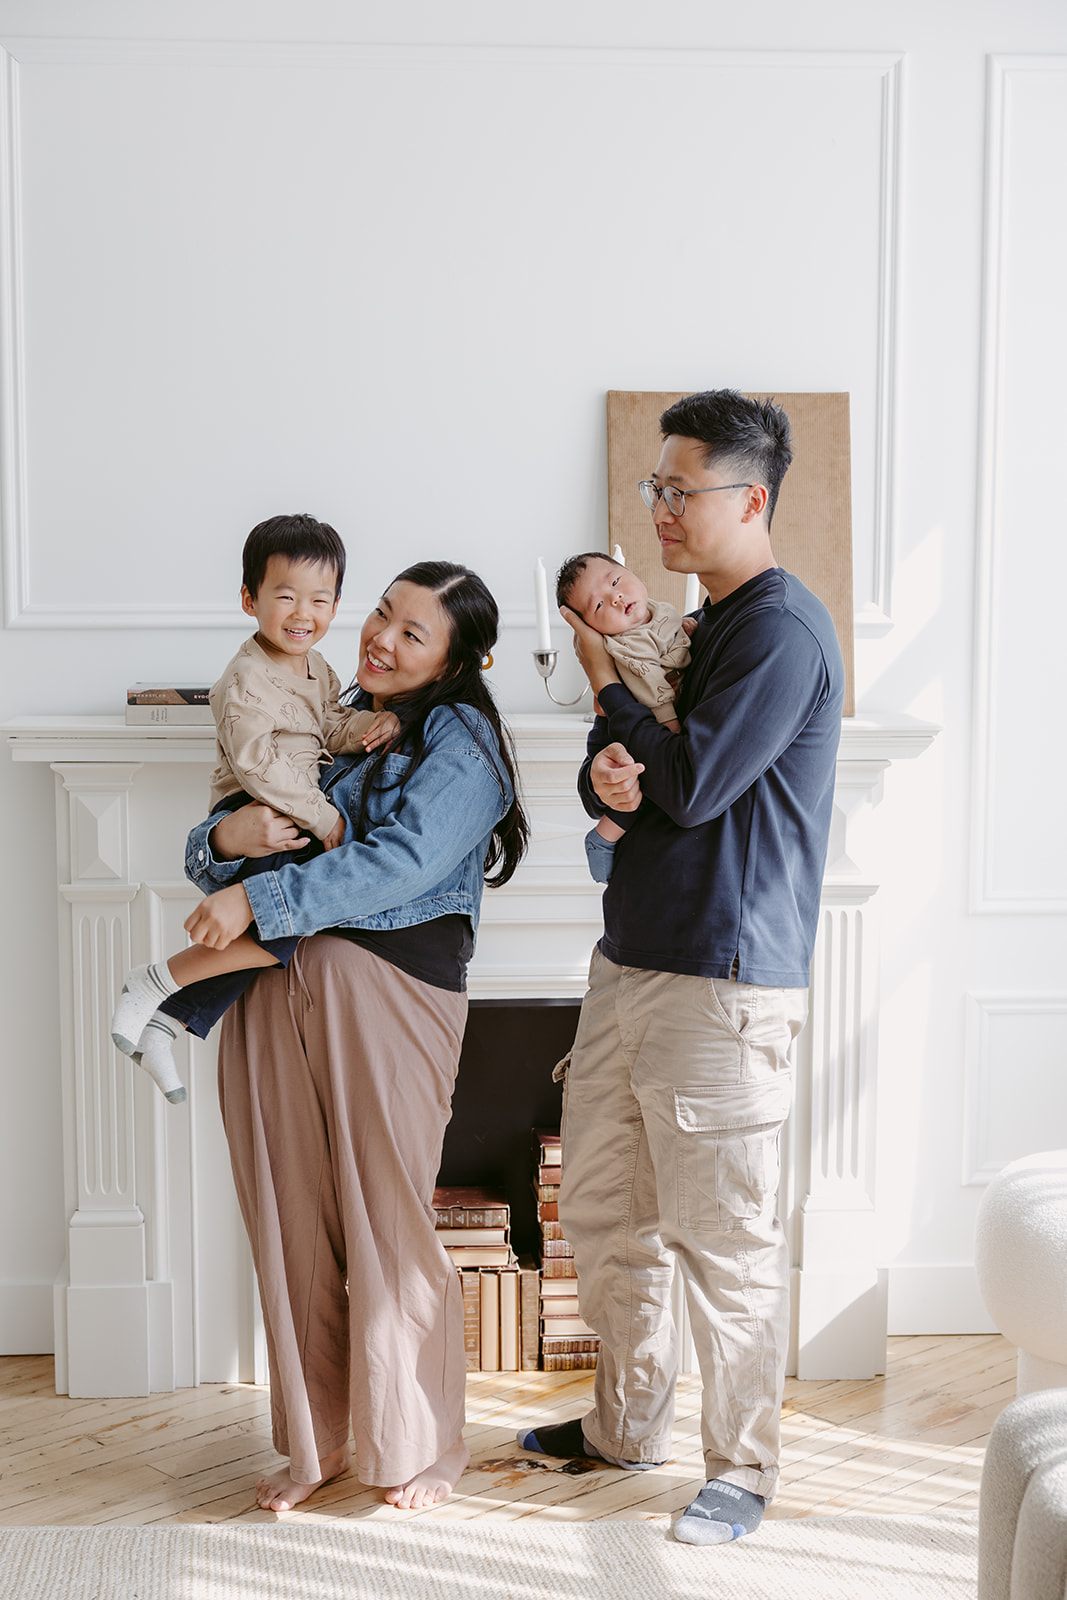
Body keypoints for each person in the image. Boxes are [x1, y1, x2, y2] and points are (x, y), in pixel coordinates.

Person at [517, 390, 845, 1546]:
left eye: (677, 490)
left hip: (722, 979)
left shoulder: (777, 631)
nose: (655, 508)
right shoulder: (694, 624)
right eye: (651, 488)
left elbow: (695, 784)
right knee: (607, 1216)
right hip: (630, 962)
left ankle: (741, 1468)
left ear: (747, 499)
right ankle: (624, 1423)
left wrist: (608, 692)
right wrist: (601, 776)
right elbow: (640, 771)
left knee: (724, 1241)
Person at [181, 560, 528, 1513]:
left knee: (386, 1217)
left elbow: (402, 863)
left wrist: (262, 891)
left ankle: (423, 1443)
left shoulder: (463, 739)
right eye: (381, 613)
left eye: (413, 633)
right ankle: (316, 1444)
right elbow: (215, 831)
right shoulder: (319, 700)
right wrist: (226, 845)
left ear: (458, 660)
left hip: (388, 992)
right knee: (290, 1218)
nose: (380, 636)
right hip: (272, 988)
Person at [109, 513, 397, 1103]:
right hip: (261, 805)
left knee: (276, 939)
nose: (302, 613)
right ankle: (153, 981)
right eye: (285, 596)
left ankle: (166, 1022)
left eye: (320, 599)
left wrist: (375, 722)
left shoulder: (319, 670)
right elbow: (257, 765)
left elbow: (332, 726)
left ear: (337, 604)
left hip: (298, 809)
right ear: (249, 599)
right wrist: (326, 819)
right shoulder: (244, 678)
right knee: (279, 933)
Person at [554, 552, 690, 883]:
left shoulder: (660, 612)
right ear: (589, 629)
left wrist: (688, 632)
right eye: (598, 606)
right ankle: (604, 836)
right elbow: (655, 690)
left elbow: (675, 636)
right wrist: (670, 727)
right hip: (636, 727)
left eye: (616, 581)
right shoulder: (627, 646)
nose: (615, 597)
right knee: (632, 787)